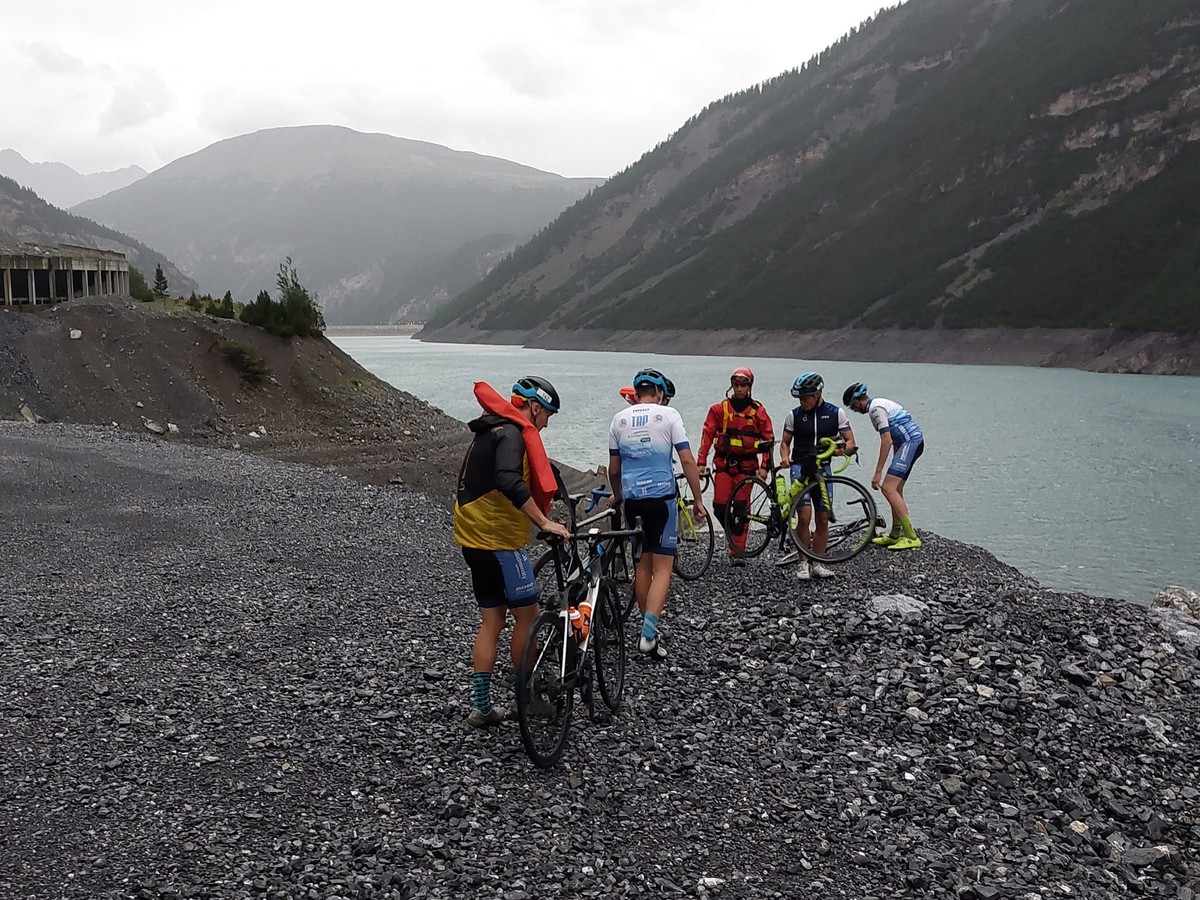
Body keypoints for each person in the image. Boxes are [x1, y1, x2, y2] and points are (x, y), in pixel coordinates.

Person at [453, 375, 570, 727]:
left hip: (472, 539)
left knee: (492, 620)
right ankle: (526, 698)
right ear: (534, 407)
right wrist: (543, 522)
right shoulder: (513, 434)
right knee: (528, 617)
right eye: (547, 414)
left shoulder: (491, 429)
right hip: (499, 542)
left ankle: (482, 706)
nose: (546, 423)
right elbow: (508, 479)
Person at [608, 368, 707, 659]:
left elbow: (614, 469)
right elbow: (687, 460)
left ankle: (646, 627)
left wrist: (618, 495)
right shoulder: (670, 415)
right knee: (663, 567)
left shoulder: (619, 419)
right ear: (661, 394)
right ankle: (648, 633)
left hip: (633, 501)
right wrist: (698, 499)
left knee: (642, 566)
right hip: (661, 499)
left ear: (636, 394)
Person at [779, 372, 857, 580]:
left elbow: (850, 442)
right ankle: (803, 562)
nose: (802, 402)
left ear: (818, 394)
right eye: (800, 399)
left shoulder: (835, 413)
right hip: (800, 469)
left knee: (823, 519)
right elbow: (785, 442)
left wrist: (841, 451)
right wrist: (785, 457)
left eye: (806, 398)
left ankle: (818, 562)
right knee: (804, 517)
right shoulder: (793, 415)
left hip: (824, 470)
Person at [696, 367, 775, 566]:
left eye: (743, 385)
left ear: (750, 386)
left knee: (741, 509)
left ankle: (737, 550)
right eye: (736, 384)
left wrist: (765, 466)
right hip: (723, 465)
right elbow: (707, 436)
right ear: (731, 385)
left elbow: (768, 439)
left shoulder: (758, 411)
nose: (739, 389)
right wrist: (701, 462)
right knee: (719, 506)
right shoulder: (718, 410)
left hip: (747, 466)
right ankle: (732, 533)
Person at [844, 382, 925, 551]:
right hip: (910, 442)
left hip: (910, 442)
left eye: (853, 407)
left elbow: (886, 440)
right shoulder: (879, 404)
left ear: (858, 401)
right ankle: (895, 534)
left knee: (888, 488)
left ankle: (911, 536)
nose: (855, 411)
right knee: (895, 489)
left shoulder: (875, 409)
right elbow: (896, 437)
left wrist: (878, 473)